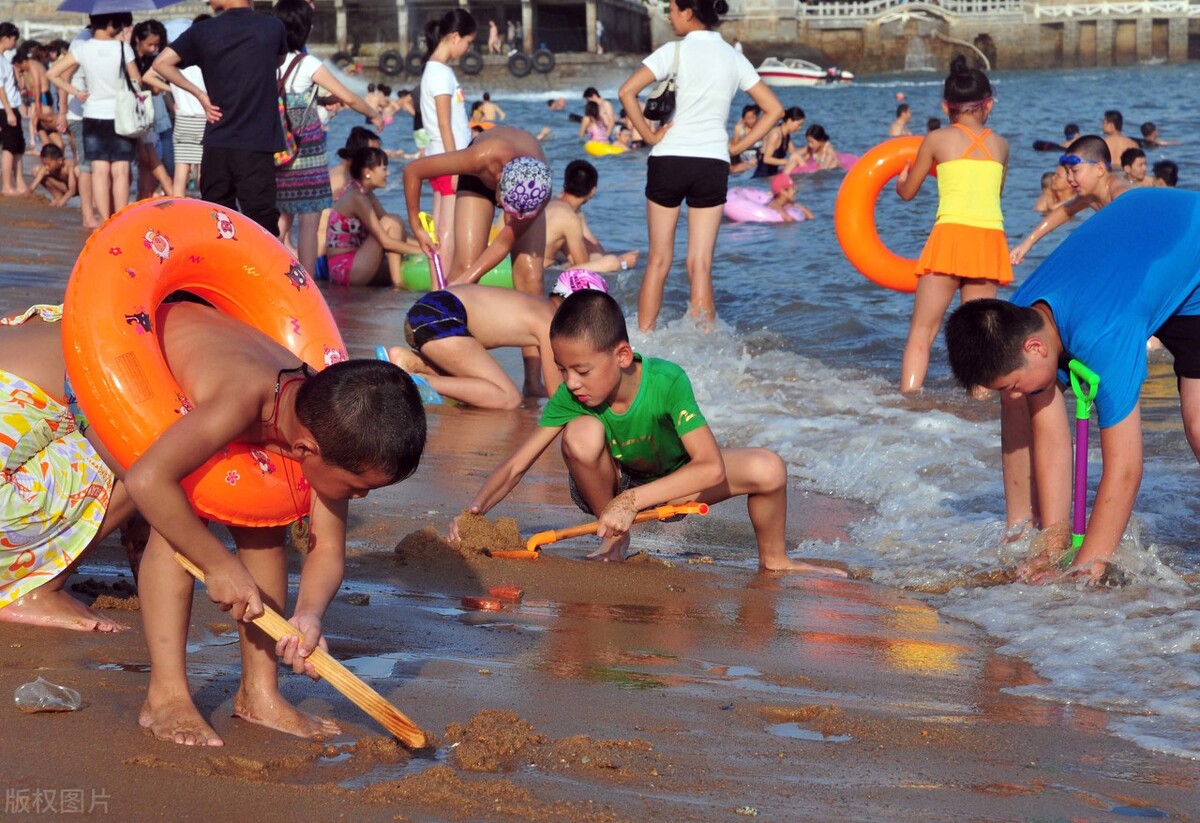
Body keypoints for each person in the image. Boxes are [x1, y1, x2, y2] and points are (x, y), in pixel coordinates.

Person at [0, 301, 426, 746]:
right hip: (29, 401)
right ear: (305, 450)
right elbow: (149, 479)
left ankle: (259, 694)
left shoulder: (323, 415)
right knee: (183, 506)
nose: (360, 498)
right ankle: (165, 696)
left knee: (262, 513)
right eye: (358, 487)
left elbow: (327, 546)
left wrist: (309, 616)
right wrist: (218, 564)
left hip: (137, 385)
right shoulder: (243, 395)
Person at [454, 290, 849, 573]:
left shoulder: (666, 380)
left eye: (582, 370)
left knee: (769, 469)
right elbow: (516, 466)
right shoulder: (575, 397)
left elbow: (710, 468)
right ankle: (613, 540)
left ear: (622, 355)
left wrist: (633, 503)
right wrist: (472, 513)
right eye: (563, 370)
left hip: (672, 485)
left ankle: (776, 560)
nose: (571, 383)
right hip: (608, 491)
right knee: (580, 435)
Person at [943, 189, 1200, 584]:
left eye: (1010, 383)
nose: (1011, 392)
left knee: (1197, 424)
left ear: (1034, 346)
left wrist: (1086, 567)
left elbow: (1127, 467)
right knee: (1023, 399)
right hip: (1142, 244)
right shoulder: (1023, 311)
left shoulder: (1104, 334)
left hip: (1186, 244)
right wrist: (1052, 542)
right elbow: (1049, 432)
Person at [617, 0, 783, 332]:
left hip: (669, 159)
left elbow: (627, 92)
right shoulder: (734, 58)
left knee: (659, 261)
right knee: (701, 264)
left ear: (689, 12)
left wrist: (650, 135)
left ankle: (644, 341)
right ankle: (706, 343)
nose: (669, 16)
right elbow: (774, 109)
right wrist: (737, 146)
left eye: (673, 10)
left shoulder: (673, 52)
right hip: (712, 164)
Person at [402, 125, 552, 395]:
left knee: (532, 280)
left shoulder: (540, 188)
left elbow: (504, 242)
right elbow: (413, 170)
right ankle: (453, 369)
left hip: (524, 181)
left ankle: (533, 381)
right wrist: (416, 224)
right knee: (465, 266)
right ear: (498, 178)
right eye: (507, 210)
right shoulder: (480, 157)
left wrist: (463, 282)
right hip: (477, 180)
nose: (508, 218)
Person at [894, 54, 1010, 395]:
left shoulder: (936, 140)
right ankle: (981, 406)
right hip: (989, 239)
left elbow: (908, 193)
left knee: (923, 332)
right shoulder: (1001, 146)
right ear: (988, 103)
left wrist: (902, 180)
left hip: (951, 236)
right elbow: (995, 193)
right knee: (980, 336)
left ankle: (907, 400)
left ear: (947, 106)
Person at [152, 0, 289, 235]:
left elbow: (161, 63)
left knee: (216, 220)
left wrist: (199, 95)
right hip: (257, 142)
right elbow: (277, 61)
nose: (207, 1)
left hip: (218, 139)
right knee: (262, 223)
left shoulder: (203, 31)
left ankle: (219, 270)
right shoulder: (272, 27)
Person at [383, 273, 607, 409]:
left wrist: (532, 385)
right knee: (508, 398)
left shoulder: (537, 305)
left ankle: (409, 361)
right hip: (444, 318)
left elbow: (533, 351)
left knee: (476, 386)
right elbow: (557, 393)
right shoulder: (550, 321)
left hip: (426, 312)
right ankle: (412, 382)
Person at [272, 0, 382, 279]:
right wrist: (373, 114)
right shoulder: (308, 63)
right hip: (307, 150)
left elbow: (287, 97)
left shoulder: (269, 61)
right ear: (305, 30)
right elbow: (349, 96)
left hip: (278, 149)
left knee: (281, 218)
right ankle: (307, 290)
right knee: (310, 221)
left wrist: (320, 99)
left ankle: (268, 274)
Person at [48, 13, 140, 221]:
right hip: (120, 116)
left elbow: (52, 74)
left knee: (98, 171)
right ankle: (121, 220)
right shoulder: (123, 48)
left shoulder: (83, 48)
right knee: (121, 171)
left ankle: (104, 221)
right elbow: (136, 80)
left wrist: (75, 91)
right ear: (110, 24)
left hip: (92, 114)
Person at [1009, 136, 1131, 265]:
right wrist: (1027, 244)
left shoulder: (1120, 193)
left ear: (1099, 169)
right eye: (1067, 172)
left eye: (1074, 171)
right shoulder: (1090, 196)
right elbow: (1063, 212)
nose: (1070, 178)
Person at [419, 9, 476, 283]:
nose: (468, 49)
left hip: (440, 156)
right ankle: (443, 289)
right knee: (447, 229)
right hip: (448, 158)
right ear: (454, 37)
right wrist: (456, 165)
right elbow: (444, 124)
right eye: (468, 42)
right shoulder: (441, 73)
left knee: (440, 227)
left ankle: (438, 287)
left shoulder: (434, 69)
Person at [325, 146, 420, 286]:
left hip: (357, 261)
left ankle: (397, 280)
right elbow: (386, 241)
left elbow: (397, 232)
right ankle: (398, 283)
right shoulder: (356, 197)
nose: (388, 174)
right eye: (384, 169)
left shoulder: (366, 194)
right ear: (368, 172)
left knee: (394, 227)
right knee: (391, 221)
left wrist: (424, 245)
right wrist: (421, 251)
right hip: (345, 268)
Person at [544, 158, 639, 274]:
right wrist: (621, 262)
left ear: (566, 183)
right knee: (611, 262)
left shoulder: (554, 204)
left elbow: (593, 244)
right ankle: (622, 263)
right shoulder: (570, 218)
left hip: (535, 263)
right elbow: (582, 265)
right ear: (592, 191)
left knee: (598, 257)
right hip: (544, 269)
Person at [154, 15, 209, 197]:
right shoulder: (208, 60)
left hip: (183, 120)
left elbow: (148, 76)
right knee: (205, 173)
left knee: (181, 173)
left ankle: (177, 211)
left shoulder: (179, 60)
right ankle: (206, 212)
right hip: (205, 120)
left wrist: (171, 87)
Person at [130, 20, 174, 200]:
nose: (153, 48)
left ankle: (146, 199)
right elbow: (152, 88)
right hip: (135, 117)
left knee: (148, 162)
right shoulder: (129, 59)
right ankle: (170, 192)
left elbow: (155, 91)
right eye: (150, 44)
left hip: (150, 117)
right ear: (138, 41)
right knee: (148, 159)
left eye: (156, 44)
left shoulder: (151, 60)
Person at [0, 22, 26, 195]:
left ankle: (20, 183)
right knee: (9, 147)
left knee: (18, 146)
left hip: (10, 107)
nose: (15, 43)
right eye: (14, 39)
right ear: (5, 38)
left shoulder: (4, 59)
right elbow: (0, 87)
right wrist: (9, 111)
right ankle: (7, 186)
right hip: (5, 108)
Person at [752, 105, 803, 178]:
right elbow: (766, 159)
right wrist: (786, 162)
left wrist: (809, 152)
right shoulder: (776, 134)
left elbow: (794, 154)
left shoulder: (786, 135)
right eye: (799, 125)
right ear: (789, 121)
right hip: (762, 178)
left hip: (772, 175)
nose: (799, 128)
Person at [729, 103, 759, 173]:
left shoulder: (760, 128)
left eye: (753, 118)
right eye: (748, 118)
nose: (751, 120)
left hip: (757, 159)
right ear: (744, 119)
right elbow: (735, 148)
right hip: (743, 158)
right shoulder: (740, 129)